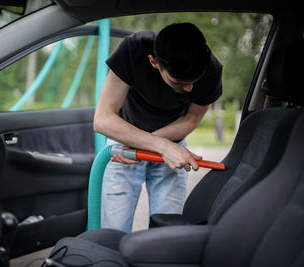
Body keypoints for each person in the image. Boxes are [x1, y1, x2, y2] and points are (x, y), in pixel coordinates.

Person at [94, 22, 223, 232]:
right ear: (154, 62)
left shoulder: (211, 70)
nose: (189, 88)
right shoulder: (133, 49)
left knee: (167, 232)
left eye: (194, 81)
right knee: (113, 233)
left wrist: (153, 146)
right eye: (178, 82)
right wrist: (156, 146)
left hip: (169, 145)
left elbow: (190, 120)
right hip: (124, 143)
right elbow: (103, 119)